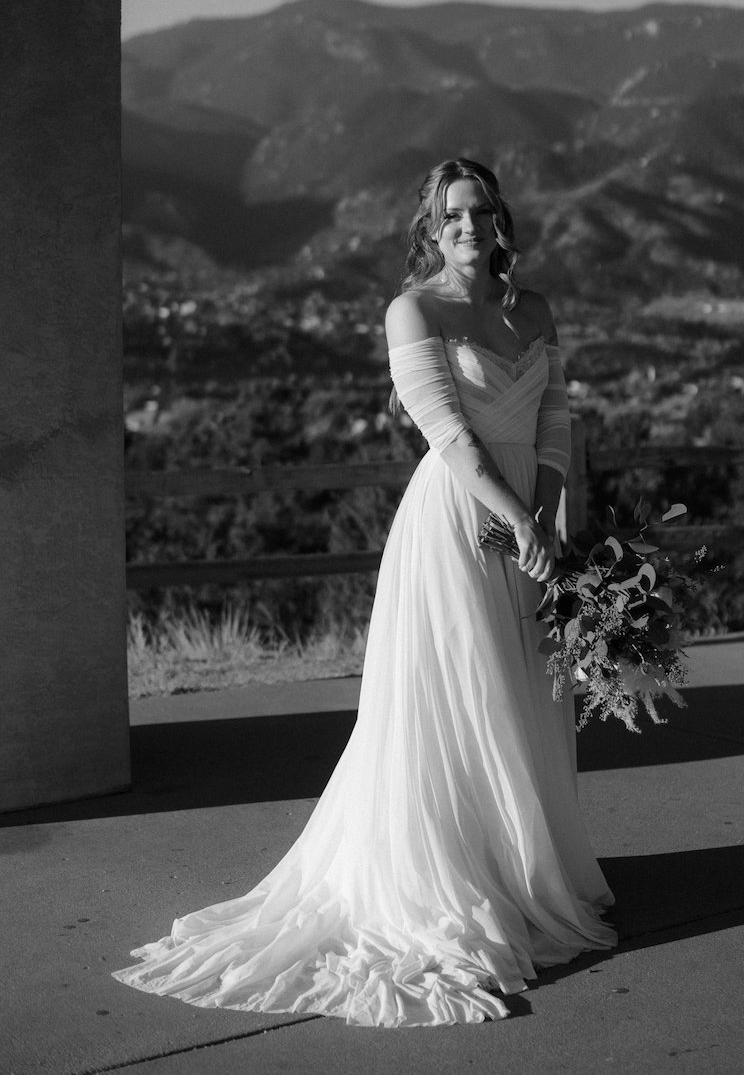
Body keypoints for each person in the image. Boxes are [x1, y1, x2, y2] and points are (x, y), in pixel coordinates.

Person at [112, 158, 617, 1027]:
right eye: (452, 216)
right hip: (457, 531)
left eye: (481, 212)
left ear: (501, 220)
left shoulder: (530, 310)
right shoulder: (412, 310)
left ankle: (521, 870)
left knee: (523, 698)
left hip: (528, 534)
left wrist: (552, 518)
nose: (468, 227)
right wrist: (516, 519)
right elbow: (452, 439)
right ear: (431, 227)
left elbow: (556, 420)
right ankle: (453, 886)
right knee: (464, 703)